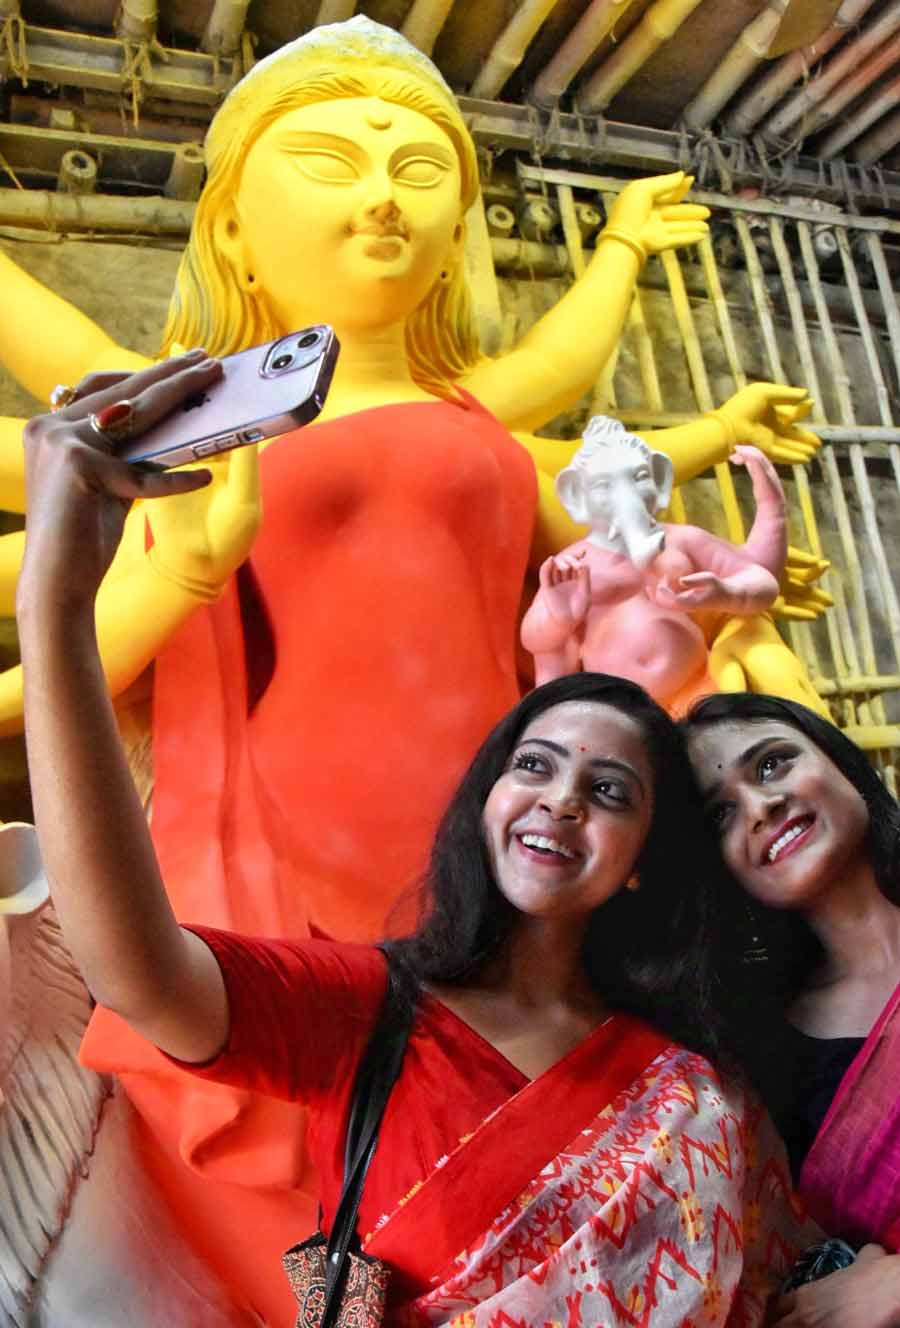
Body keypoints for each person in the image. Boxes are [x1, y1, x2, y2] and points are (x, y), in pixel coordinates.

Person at [19, 355, 817, 1327]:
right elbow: (140, 974)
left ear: (651, 848)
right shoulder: (372, 1010)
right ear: (479, 808)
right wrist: (57, 606)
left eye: (608, 786)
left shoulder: (692, 1075)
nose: (559, 797)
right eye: (532, 765)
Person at [684, 690, 900, 1328]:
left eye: (772, 764)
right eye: (720, 814)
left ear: (843, 764)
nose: (760, 805)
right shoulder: (756, 1054)